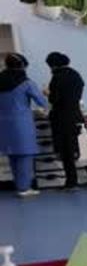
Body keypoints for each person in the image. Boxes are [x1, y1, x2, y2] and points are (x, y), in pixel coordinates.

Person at [0, 53, 48, 197]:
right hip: (21, 123)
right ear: (22, 66)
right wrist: (46, 94)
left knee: (13, 155)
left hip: (3, 124)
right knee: (25, 155)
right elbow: (42, 102)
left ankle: (20, 186)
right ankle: (24, 188)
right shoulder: (26, 82)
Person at [45, 51, 85, 190]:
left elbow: (54, 99)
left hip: (61, 118)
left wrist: (47, 94)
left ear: (53, 65)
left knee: (66, 152)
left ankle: (71, 182)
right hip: (76, 114)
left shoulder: (57, 77)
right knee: (82, 148)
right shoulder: (75, 75)